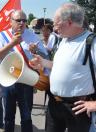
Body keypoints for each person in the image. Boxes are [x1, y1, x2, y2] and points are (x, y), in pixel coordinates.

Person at [29, 2, 96, 132]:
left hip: (77, 108)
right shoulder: (64, 40)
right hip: (55, 104)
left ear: (69, 22)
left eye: (56, 23)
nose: (54, 28)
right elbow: (60, 67)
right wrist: (43, 62)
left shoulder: (92, 43)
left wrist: (94, 104)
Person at [0, 10, 48, 132]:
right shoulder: (3, 35)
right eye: (18, 20)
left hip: (26, 81)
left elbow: (46, 57)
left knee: (26, 117)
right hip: (8, 80)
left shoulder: (32, 35)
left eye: (24, 20)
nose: (22, 23)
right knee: (8, 117)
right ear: (11, 21)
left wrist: (36, 51)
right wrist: (12, 44)